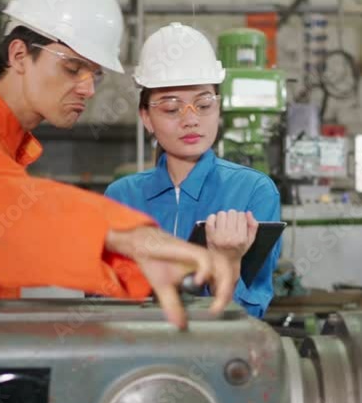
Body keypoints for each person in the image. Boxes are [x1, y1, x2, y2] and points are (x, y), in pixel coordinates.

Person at [0, 0, 236, 329]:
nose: (89, 89)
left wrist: (138, 266)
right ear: (19, 56)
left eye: (94, 74)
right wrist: (127, 234)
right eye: (72, 68)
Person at [105, 23, 282, 318]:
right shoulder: (122, 196)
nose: (190, 121)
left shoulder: (253, 191)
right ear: (146, 117)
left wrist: (227, 264)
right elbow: (103, 304)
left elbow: (250, 319)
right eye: (172, 109)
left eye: (203, 105)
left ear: (219, 108)